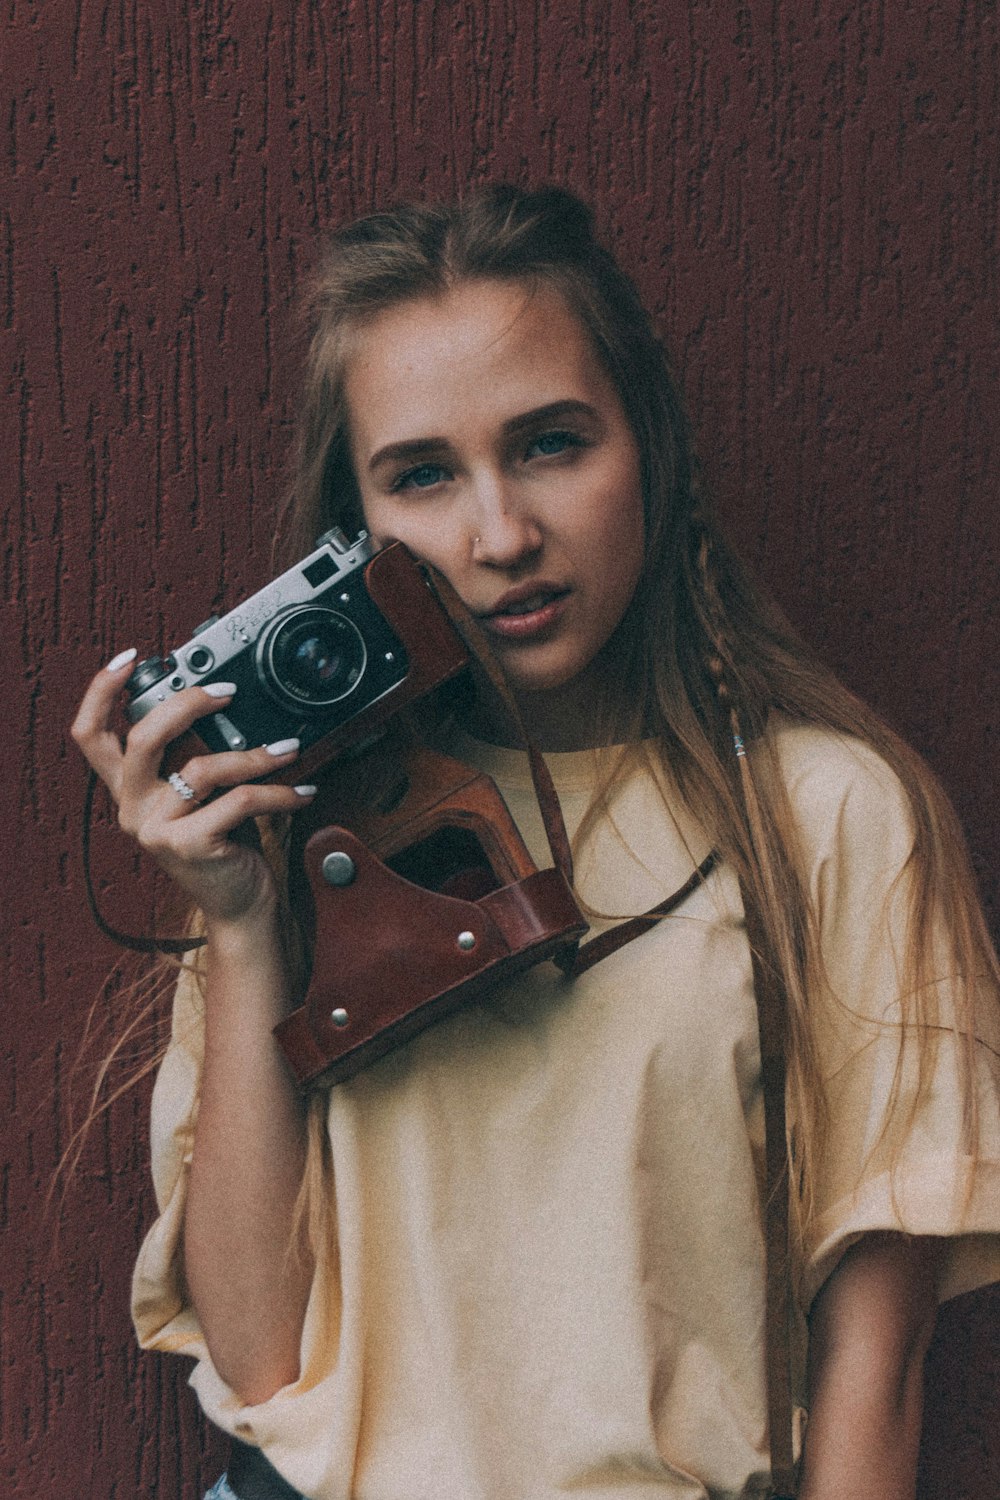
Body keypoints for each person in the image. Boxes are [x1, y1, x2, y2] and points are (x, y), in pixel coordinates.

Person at [71, 186, 1000, 1500]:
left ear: (653, 447)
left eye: (554, 444)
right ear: (357, 526)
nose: (501, 536)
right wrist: (234, 917)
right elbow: (257, 1353)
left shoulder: (830, 817)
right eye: (424, 475)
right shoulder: (302, 826)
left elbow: (876, 1366)